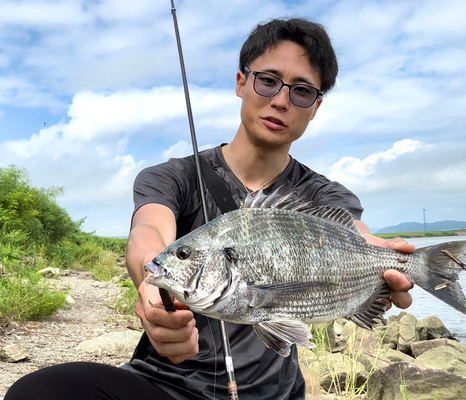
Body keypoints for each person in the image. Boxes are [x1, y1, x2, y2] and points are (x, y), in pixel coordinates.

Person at [5, 17, 414, 400]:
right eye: (268, 81)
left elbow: (357, 238)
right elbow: (149, 233)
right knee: (42, 392)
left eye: (302, 90)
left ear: (316, 105)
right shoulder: (172, 176)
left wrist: (393, 261)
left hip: (273, 393)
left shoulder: (325, 195)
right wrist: (151, 288)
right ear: (241, 82)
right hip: (166, 385)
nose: (281, 100)